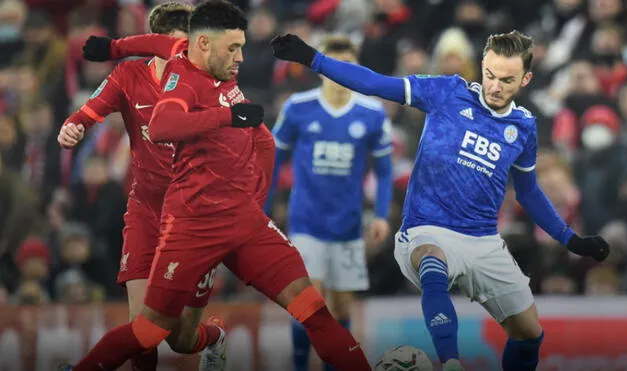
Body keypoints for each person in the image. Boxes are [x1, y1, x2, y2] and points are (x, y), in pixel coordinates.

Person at [271, 30, 610, 371]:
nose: (494, 86)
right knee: (432, 259)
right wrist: (313, 59)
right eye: (490, 75)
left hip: (483, 240)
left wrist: (570, 238)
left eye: (507, 80)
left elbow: (529, 192)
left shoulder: (523, 127)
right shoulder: (447, 92)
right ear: (482, 66)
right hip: (425, 228)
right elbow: (375, 84)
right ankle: (450, 362)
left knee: (528, 335)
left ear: (526, 78)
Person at [63, 2, 371, 371]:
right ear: (204, 44)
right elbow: (162, 126)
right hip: (189, 223)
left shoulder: (215, 67)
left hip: (243, 221)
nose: (241, 57)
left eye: (242, 47)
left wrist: (257, 201)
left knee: (313, 310)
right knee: (151, 333)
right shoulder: (182, 80)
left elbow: (264, 141)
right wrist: (228, 116)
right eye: (234, 48)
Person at [57, 3, 229, 371]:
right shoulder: (128, 75)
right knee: (142, 329)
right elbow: (88, 112)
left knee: (181, 340)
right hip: (146, 210)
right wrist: (71, 127)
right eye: (165, 47)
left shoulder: (214, 84)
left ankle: (215, 338)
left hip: (195, 218)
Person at [267, 35, 393, 371]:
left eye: (347, 66)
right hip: (306, 220)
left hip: (348, 225)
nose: (339, 73)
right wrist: (263, 208)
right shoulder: (298, 107)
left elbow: (384, 170)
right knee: (311, 303)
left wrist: (381, 215)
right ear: (321, 70)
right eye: (334, 66)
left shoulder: (372, 113)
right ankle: (298, 366)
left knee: (342, 310)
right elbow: (273, 159)